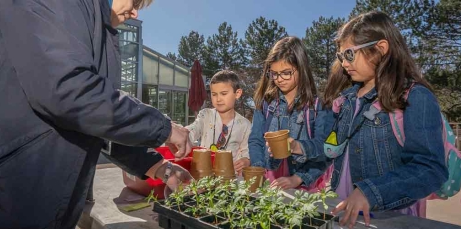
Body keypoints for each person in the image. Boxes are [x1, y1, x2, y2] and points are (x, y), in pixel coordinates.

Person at [0, 0, 193, 228]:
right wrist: (162, 126)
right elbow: (68, 91)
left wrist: (155, 165)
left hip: (7, 201)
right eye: (137, 1)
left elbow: (90, 121)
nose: (136, 13)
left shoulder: (90, 29)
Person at [296, 11, 447, 229]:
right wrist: (299, 147)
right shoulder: (345, 100)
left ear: (381, 49)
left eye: (349, 54)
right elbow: (331, 148)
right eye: (340, 57)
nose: (343, 64)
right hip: (342, 212)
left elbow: (430, 168)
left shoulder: (415, 97)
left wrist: (371, 192)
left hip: (385, 217)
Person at [248, 36, 331, 190]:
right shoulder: (265, 103)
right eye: (274, 74)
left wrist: (298, 178)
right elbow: (256, 140)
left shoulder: (318, 106)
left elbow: (325, 150)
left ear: (301, 68)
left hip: (303, 184)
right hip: (269, 178)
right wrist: (258, 169)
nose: (279, 79)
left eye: (286, 73)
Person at [185, 70, 251, 175]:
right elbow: (193, 129)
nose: (218, 99)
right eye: (214, 94)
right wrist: (183, 133)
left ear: (237, 93)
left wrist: (246, 160)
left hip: (229, 178)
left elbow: (246, 150)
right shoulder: (206, 115)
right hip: (203, 176)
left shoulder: (245, 124)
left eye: (224, 94)